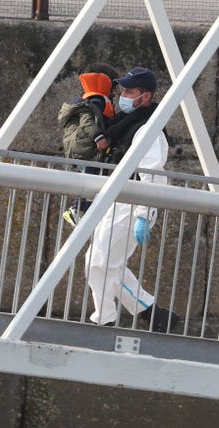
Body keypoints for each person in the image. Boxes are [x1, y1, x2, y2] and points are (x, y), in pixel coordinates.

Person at [84, 66, 180, 333]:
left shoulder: (148, 130)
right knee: (100, 261)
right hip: (118, 201)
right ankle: (153, 313)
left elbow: (151, 175)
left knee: (101, 263)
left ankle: (105, 319)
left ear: (146, 97)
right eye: (123, 90)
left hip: (132, 203)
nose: (123, 95)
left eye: (130, 91)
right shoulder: (128, 126)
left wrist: (143, 216)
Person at [58, 63, 120, 227]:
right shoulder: (96, 100)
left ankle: (80, 209)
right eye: (115, 87)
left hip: (78, 149)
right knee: (92, 180)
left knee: (92, 181)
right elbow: (87, 120)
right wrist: (99, 136)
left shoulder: (91, 98)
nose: (116, 92)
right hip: (86, 148)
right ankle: (76, 210)